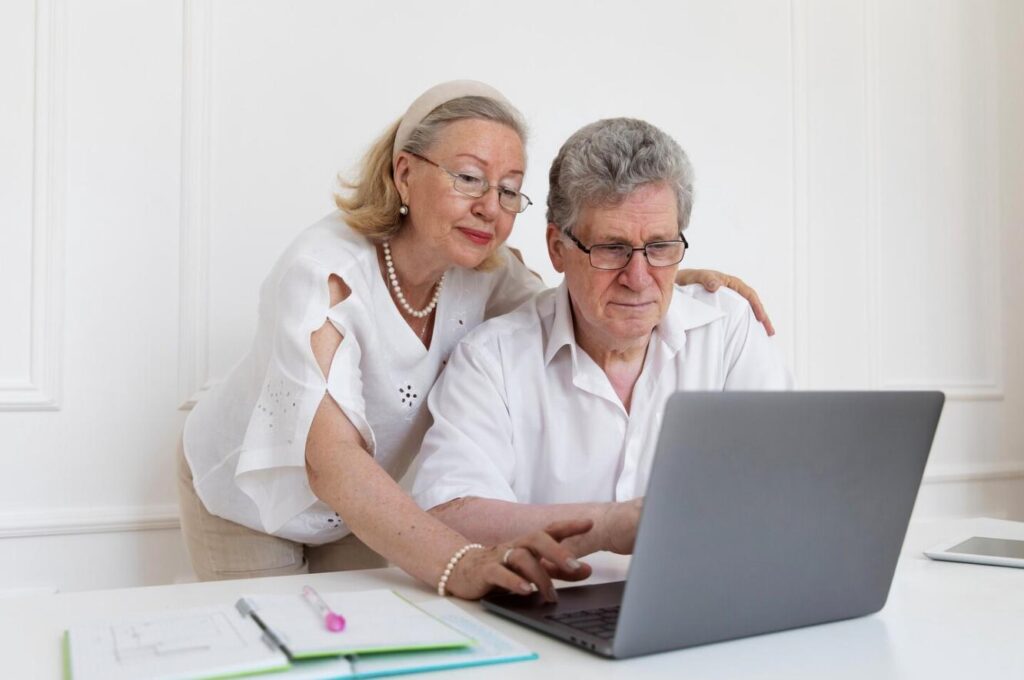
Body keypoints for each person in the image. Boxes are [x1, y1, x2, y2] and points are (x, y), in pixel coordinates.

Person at [177, 81, 774, 601]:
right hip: (251, 493)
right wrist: (457, 565)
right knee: (278, 648)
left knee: (357, 647)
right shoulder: (322, 276)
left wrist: (666, 282)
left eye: (510, 188)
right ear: (404, 172)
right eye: (468, 178)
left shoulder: (486, 270)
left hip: (365, 505)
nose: (490, 208)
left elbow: (581, 297)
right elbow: (331, 463)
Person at [412, 117, 793, 557]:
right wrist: (606, 527)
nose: (638, 278)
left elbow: (784, 484)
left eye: (660, 247)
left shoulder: (727, 331)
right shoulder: (491, 358)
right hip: (544, 609)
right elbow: (451, 514)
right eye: (611, 249)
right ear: (557, 248)